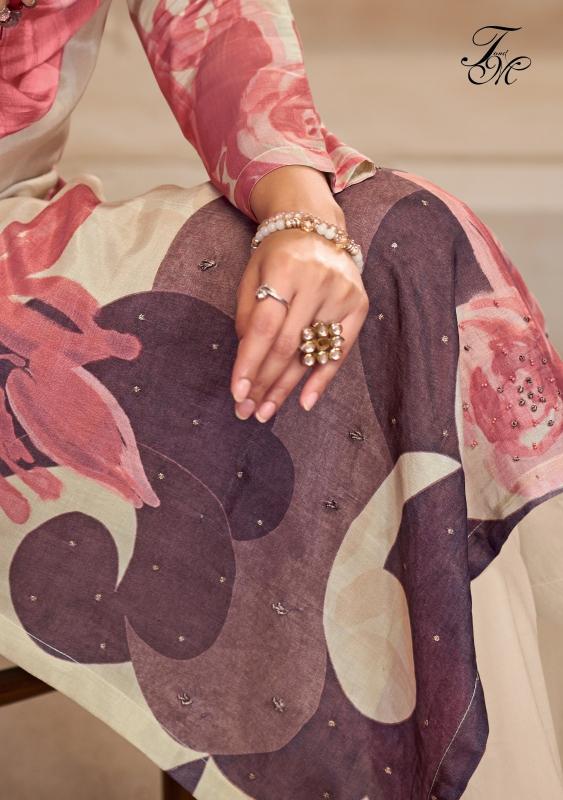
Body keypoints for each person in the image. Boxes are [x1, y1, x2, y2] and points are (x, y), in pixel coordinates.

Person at [1, 1, 562, 799]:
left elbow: (211, 14)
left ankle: (397, 761)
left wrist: (300, 219)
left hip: (16, 232)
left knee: (390, 245)